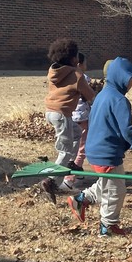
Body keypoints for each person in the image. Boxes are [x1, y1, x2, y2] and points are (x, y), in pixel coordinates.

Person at [67, 57, 132, 237]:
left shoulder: (102, 95)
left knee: (108, 182)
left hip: (95, 149)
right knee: (116, 190)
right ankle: (107, 226)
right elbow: (127, 129)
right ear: (119, 77)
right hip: (107, 152)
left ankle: (81, 199)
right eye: (130, 79)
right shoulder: (119, 100)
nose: (131, 84)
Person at [42, 40, 96, 201]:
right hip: (62, 114)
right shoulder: (77, 75)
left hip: (50, 112)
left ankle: (69, 163)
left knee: (77, 133)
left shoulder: (53, 71)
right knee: (64, 151)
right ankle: (50, 180)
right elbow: (90, 96)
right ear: (74, 59)